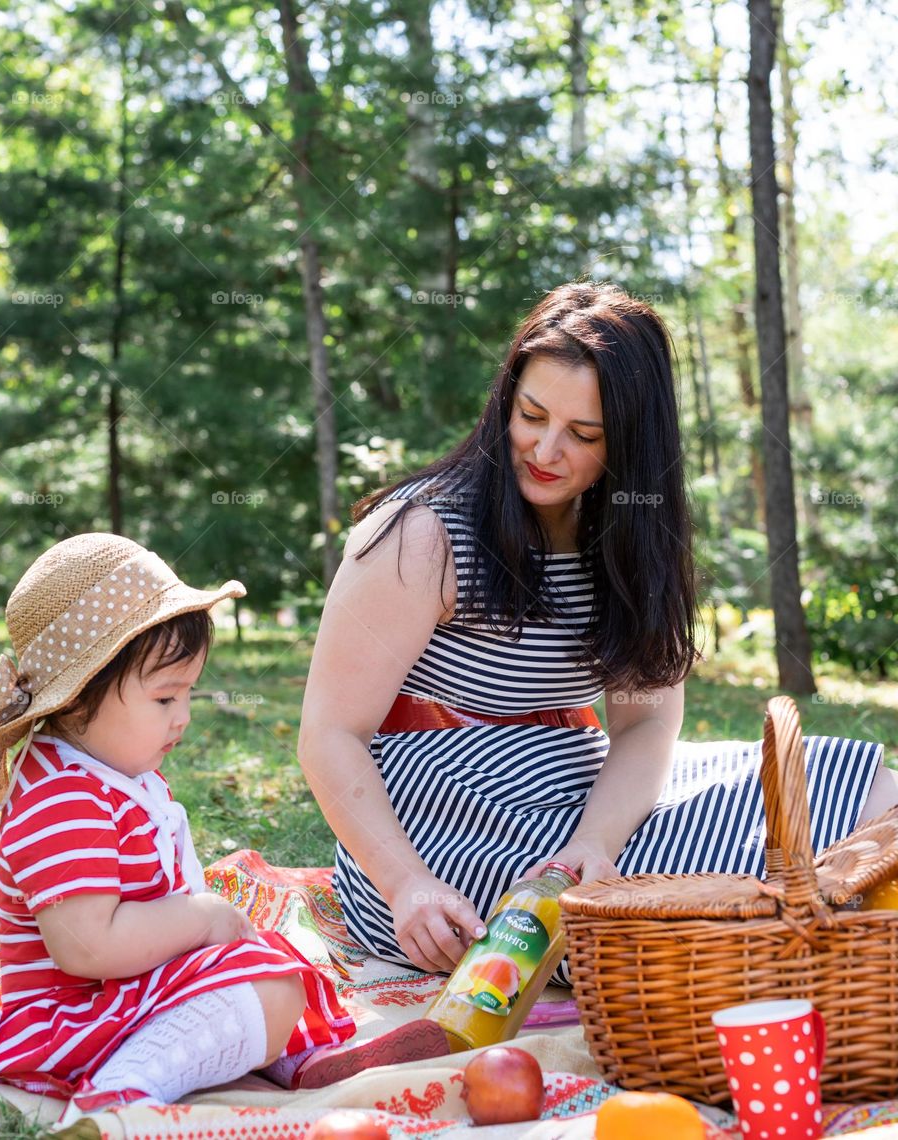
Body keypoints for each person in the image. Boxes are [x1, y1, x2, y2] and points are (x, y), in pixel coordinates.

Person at [298, 280, 898, 980]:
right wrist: (406, 886)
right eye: (531, 415)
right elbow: (328, 735)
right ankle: (826, 955)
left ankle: (842, 953)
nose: (546, 449)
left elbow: (645, 729)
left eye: (583, 435)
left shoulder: (628, 537)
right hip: (442, 827)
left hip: (579, 796)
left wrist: (595, 845)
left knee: (856, 783)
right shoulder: (422, 535)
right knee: (724, 885)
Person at [0, 533, 445, 1115]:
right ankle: (124, 1089)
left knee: (277, 961)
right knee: (262, 980)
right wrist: (201, 919)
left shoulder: (112, 770)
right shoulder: (61, 796)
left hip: (126, 995)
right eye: (164, 699)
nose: (183, 716)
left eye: (189, 694)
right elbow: (86, 947)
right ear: (78, 700)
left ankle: (287, 1059)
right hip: (72, 1019)